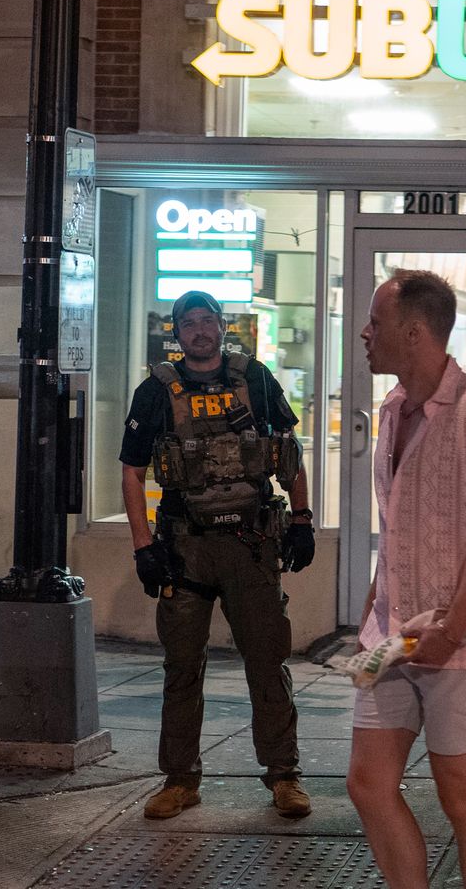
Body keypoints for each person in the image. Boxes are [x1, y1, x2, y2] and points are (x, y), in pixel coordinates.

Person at [346, 270, 466, 889]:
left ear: (414, 332)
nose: (365, 334)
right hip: (392, 639)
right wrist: (371, 612)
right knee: (368, 785)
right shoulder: (391, 410)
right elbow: (395, 527)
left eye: (376, 323)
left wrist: (451, 627)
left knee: (461, 796)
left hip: (460, 645)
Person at [119, 290, 315, 821]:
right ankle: (180, 779)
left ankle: (284, 776)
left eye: (208, 321)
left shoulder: (255, 379)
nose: (200, 331)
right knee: (182, 665)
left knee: (268, 663)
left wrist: (302, 519)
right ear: (177, 333)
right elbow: (132, 473)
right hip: (186, 550)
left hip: (252, 548)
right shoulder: (155, 391)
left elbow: (289, 455)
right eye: (189, 323)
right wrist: (143, 546)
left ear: (222, 327)